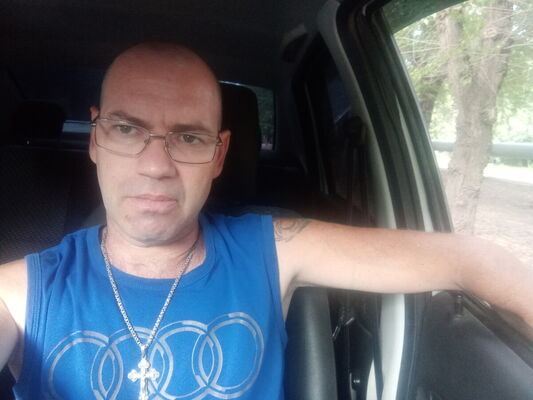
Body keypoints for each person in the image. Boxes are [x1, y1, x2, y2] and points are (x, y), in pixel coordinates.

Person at [0, 42, 531, 399]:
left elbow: (474, 260)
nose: (156, 165)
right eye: (127, 130)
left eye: (189, 137)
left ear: (219, 154)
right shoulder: (19, 291)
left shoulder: (273, 248)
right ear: (96, 138)